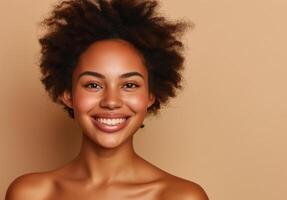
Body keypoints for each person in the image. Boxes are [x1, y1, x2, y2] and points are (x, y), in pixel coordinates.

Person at [5, 0, 208, 199]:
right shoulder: (31, 194)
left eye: (129, 85)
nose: (111, 101)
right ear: (68, 95)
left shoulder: (180, 196)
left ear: (150, 96)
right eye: (93, 85)